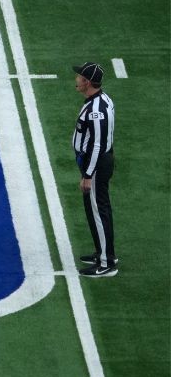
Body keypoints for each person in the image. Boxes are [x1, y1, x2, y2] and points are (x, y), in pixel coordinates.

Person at [72, 62, 118, 277]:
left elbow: (97, 144)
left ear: (87, 82)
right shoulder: (102, 100)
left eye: (79, 76)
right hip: (99, 162)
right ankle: (104, 252)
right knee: (97, 210)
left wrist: (88, 175)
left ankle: (106, 263)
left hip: (96, 164)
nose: (76, 79)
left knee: (98, 212)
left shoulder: (96, 109)